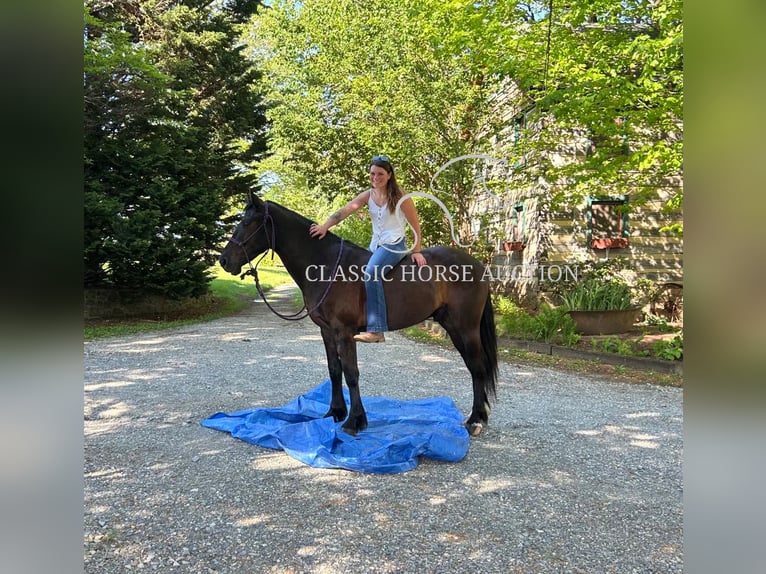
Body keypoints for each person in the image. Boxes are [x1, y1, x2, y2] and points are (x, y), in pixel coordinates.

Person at [309, 155, 427, 343]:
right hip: (375, 245)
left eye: (380, 174)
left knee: (371, 273)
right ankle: (356, 318)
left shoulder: (400, 196)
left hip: (394, 244)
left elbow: (415, 225)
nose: (375, 178)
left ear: (389, 175)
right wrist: (325, 226)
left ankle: (377, 330)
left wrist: (417, 251)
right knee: (352, 271)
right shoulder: (368, 195)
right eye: (372, 174)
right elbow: (344, 211)